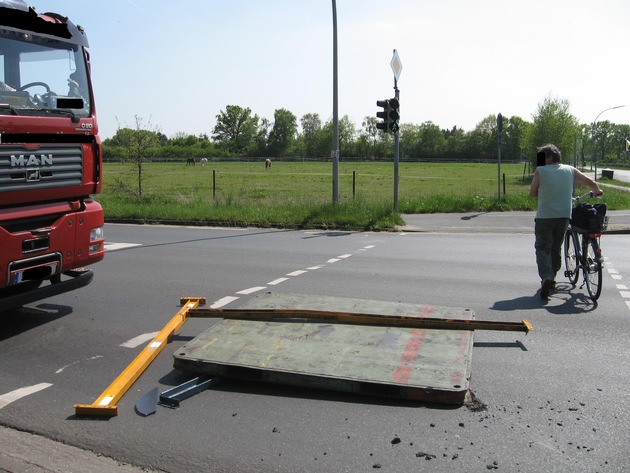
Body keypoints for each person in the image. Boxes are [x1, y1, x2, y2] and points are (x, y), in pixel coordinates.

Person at [529, 143, 602, 299]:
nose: (540, 159)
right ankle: (552, 278)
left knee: (542, 248)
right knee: (556, 247)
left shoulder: (540, 171)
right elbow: (591, 183)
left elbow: (532, 193)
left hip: (544, 217)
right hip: (563, 216)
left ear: (549, 157)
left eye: (542, 156)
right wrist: (596, 191)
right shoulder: (570, 170)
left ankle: (547, 277)